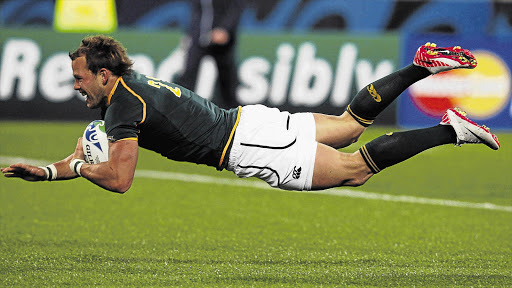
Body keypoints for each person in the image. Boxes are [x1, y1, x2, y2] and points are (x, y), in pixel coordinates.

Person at [1, 36, 500, 193]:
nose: (75, 84)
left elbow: (119, 178)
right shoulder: (129, 90)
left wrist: (86, 165)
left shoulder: (123, 108)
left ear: (104, 76)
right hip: (246, 119)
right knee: (349, 125)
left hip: (243, 145)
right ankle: (418, 65)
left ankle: (449, 130)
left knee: (352, 172)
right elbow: (93, 154)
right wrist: (48, 171)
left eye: (81, 76)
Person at [176, 0, 246, 108]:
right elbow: (197, 11)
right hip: (198, 37)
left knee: (227, 81)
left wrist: (224, 28)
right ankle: (179, 110)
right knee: (188, 75)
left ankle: (234, 115)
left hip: (221, 40)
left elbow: (237, 7)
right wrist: (191, 32)